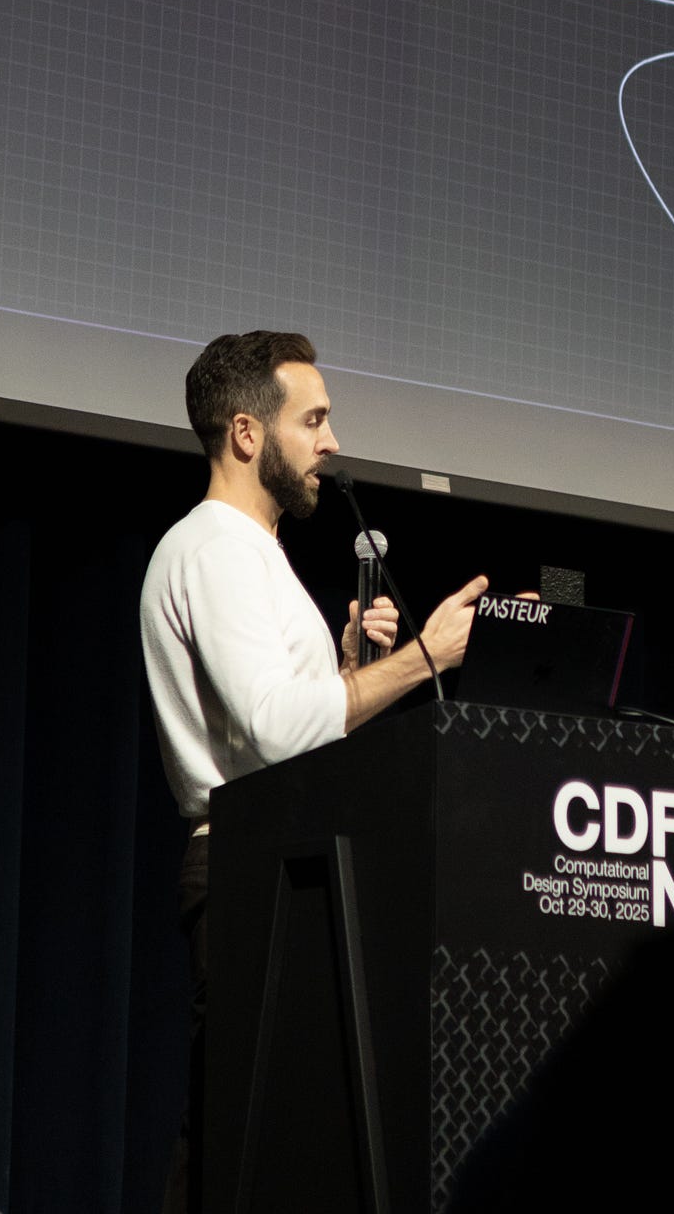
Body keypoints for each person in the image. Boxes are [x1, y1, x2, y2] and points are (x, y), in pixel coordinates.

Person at [141, 329, 487, 1213]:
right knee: (238, 1137)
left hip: (285, 862)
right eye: (316, 419)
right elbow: (273, 731)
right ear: (249, 433)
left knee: (268, 1137)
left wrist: (339, 672)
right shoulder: (215, 547)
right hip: (253, 871)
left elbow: (278, 720)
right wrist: (419, 660)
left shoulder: (253, 552)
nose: (332, 442)